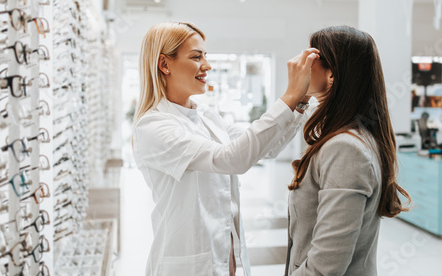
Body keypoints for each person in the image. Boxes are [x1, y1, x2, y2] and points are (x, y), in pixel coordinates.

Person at [132, 21, 319, 276]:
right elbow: (231, 159)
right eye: (197, 56)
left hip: (226, 259)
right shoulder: (153, 126)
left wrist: (300, 101)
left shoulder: (206, 115)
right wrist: (288, 96)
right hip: (188, 266)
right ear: (164, 64)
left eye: (205, 56)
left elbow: (265, 149)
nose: (207, 65)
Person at [285, 26, 411, 276]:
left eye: (311, 56)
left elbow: (325, 267)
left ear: (331, 75)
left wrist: (293, 93)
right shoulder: (352, 136)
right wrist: (296, 98)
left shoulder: (345, 148)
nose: (300, 62)